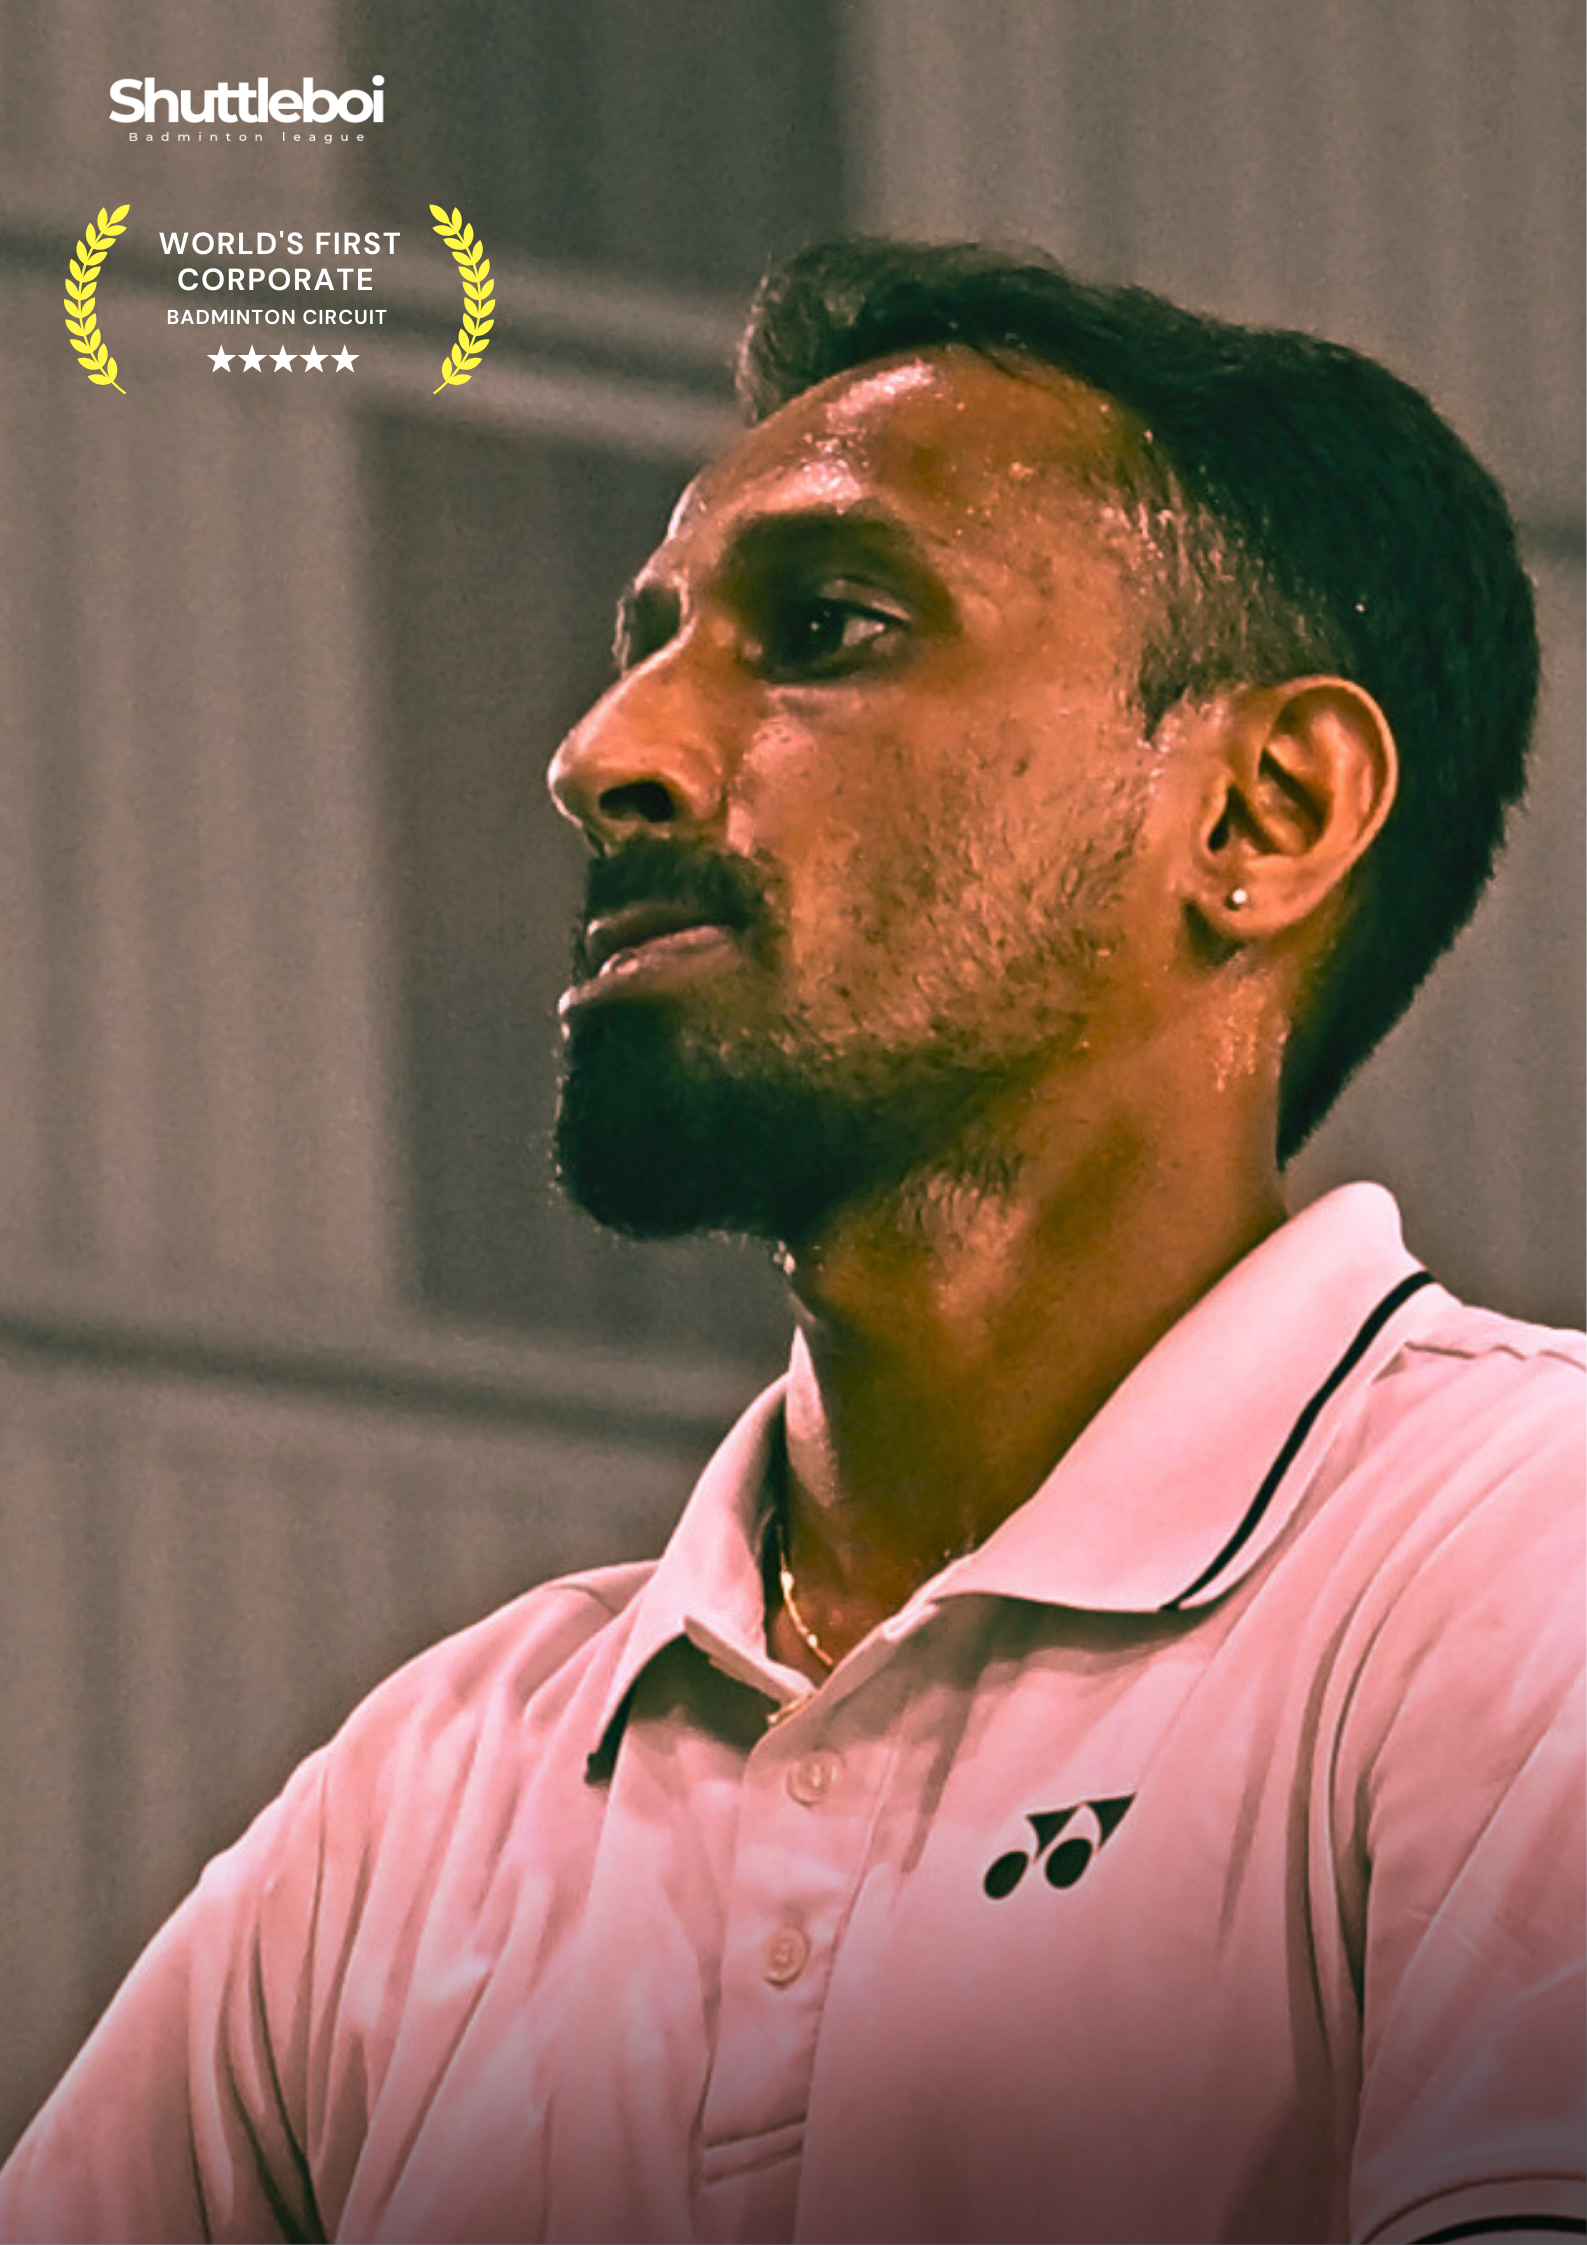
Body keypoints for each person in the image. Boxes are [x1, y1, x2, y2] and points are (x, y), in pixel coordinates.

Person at [1, 239, 1580, 2244]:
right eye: (651, 639)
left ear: (1261, 811)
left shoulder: (1516, 1542)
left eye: (824, 629)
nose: (604, 751)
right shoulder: (416, 1810)